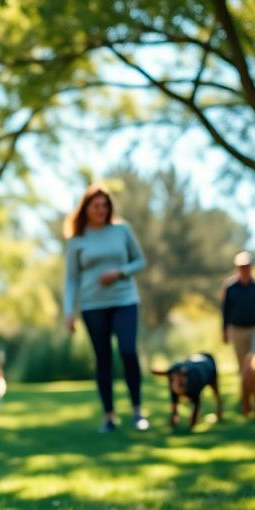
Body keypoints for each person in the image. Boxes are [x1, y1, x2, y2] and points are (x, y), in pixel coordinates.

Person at [64, 184, 148, 433]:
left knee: (128, 350)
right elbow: (71, 278)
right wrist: (69, 311)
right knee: (103, 360)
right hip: (93, 305)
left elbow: (140, 261)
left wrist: (120, 272)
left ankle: (137, 411)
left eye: (105, 205)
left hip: (125, 300)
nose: (101, 210)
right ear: (86, 208)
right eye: (96, 206)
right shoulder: (77, 240)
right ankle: (109, 416)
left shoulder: (122, 230)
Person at [221, 251, 255, 371]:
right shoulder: (230, 287)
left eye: (247, 266)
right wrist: (224, 330)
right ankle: (246, 387)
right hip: (237, 329)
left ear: (251, 267)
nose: (245, 269)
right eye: (242, 267)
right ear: (237, 268)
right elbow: (225, 310)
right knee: (243, 363)